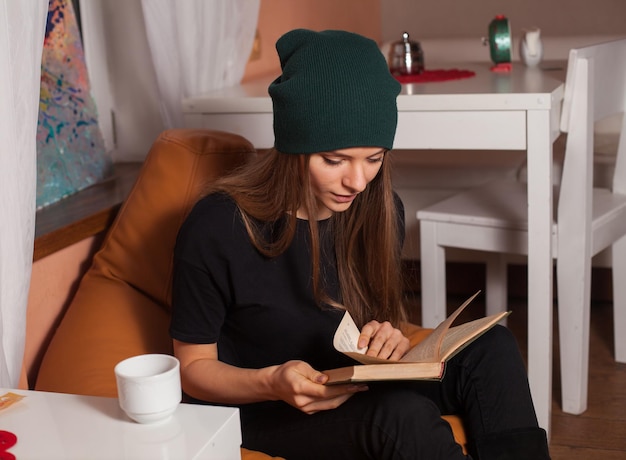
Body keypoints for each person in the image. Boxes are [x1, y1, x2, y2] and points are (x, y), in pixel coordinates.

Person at [170, 29, 551, 459]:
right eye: (334, 160)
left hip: (350, 380)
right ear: (294, 146)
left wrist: (386, 335)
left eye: (374, 158)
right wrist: (271, 381)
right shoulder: (219, 226)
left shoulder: (380, 209)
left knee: (492, 348)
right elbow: (191, 368)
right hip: (262, 407)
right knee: (400, 416)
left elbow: (372, 320)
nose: (356, 180)